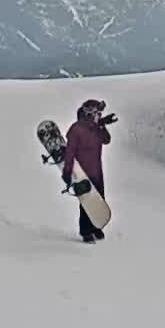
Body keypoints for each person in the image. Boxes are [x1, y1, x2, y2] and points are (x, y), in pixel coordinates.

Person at [62, 98, 116, 242]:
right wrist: (67, 171)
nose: (99, 115)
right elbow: (69, 152)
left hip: (97, 171)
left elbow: (106, 140)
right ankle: (86, 231)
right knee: (87, 202)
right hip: (82, 173)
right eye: (98, 113)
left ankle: (95, 227)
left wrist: (102, 125)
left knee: (98, 200)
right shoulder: (76, 129)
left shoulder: (96, 128)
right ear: (90, 114)